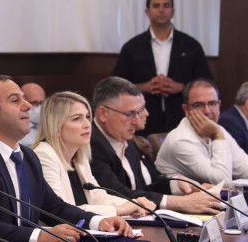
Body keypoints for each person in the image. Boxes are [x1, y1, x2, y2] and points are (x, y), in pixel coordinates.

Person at [0, 75, 132, 242]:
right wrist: (39, 237)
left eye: (24, 99)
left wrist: (98, 222)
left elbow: (55, 208)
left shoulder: (28, 157)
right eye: (15, 100)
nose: (27, 105)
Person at [90, 76, 222, 214]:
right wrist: (180, 203)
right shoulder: (91, 145)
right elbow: (116, 194)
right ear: (103, 114)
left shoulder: (124, 137)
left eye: (139, 112)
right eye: (130, 114)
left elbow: (147, 186)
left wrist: (178, 184)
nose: (137, 121)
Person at [32, 91, 156, 217]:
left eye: (87, 117)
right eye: (77, 119)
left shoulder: (78, 157)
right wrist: (119, 210)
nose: (87, 124)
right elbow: (62, 210)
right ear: (55, 125)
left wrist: (134, 204)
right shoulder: (44, 155)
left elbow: (99, 198)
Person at [112, 0, 212, 135]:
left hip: (182, 118)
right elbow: (116, 84)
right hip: (143, 119)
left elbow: (207, 82)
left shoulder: (191, 46)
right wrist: (143, 87)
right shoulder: (132, 47)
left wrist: (181, 87)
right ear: (147, 12)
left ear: (173, 12)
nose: (161, 10)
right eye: (156, 6)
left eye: (166, 6)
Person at [156, 79, 248, 186]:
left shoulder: (217, 129)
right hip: (177, 203)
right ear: (186, 109)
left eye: (212, 104)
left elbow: (244, 165)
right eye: (198, 105)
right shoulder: (180, 140)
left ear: (219, 106)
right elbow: (223, 181)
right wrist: (217, 135)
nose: (207, 111)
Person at [18, 82, 46, 148]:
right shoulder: (16, 129)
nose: (39, 107)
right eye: (34, 102)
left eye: (42, 103)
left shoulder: (49, 125)